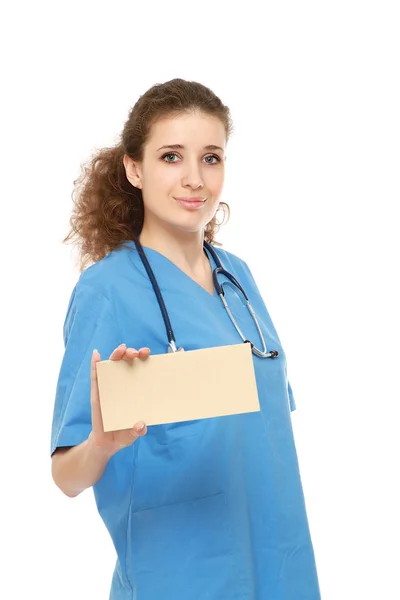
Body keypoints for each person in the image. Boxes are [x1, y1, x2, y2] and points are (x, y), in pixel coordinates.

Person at [50, 78, 321, 600]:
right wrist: (103, 443)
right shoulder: (108, 290)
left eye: (211, 158)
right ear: (135, 169)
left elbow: (260, 432)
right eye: (172, 156)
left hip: (278, 562)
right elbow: (65, 475)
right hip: (180, 576)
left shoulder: (237, 277)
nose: (195, 179)